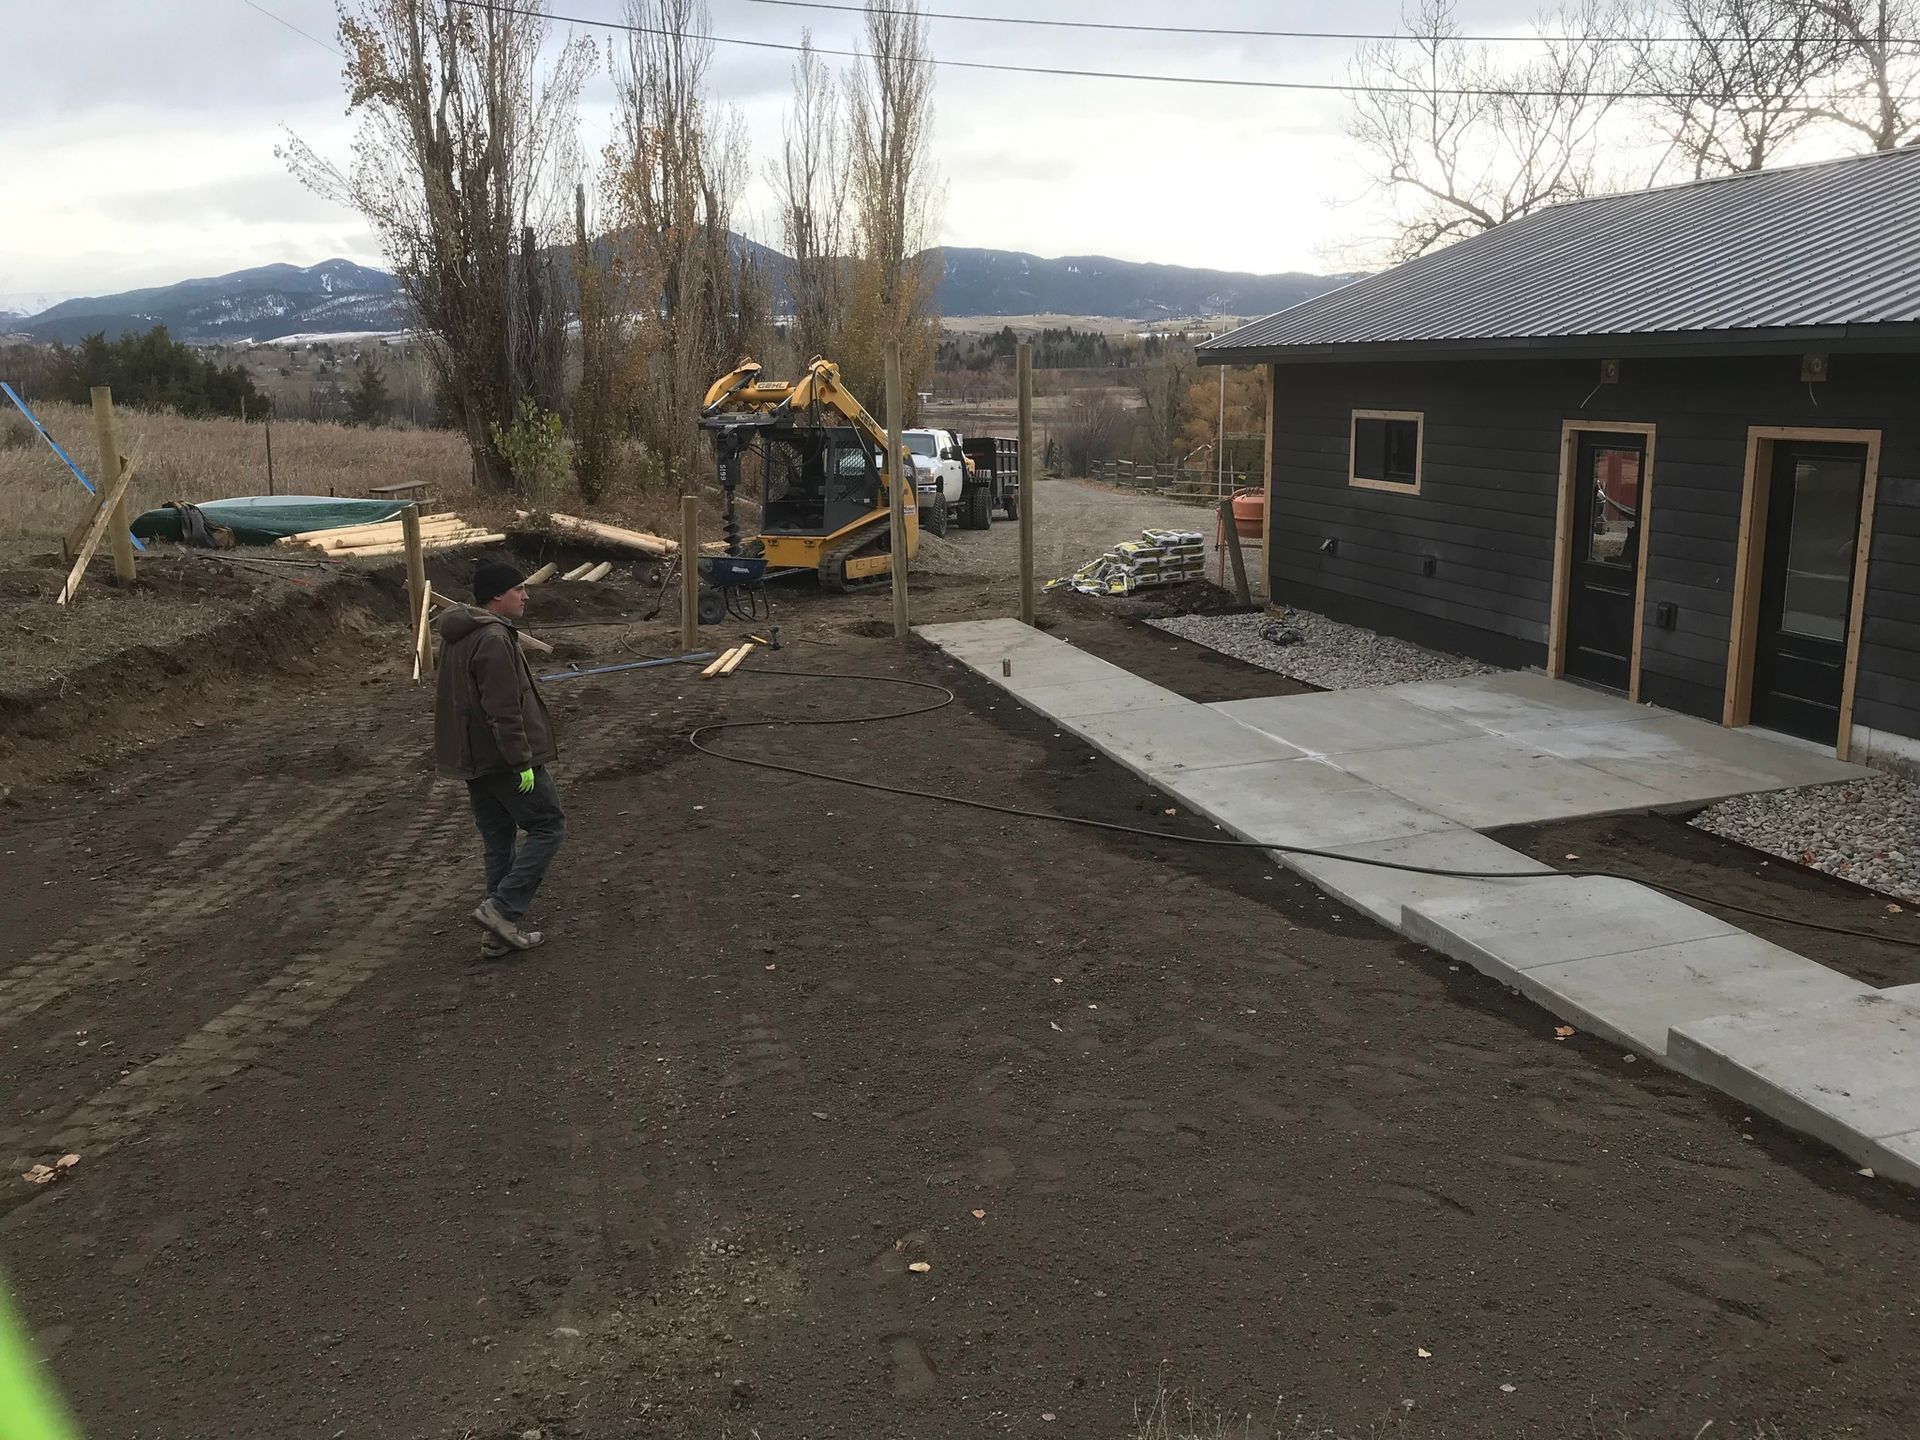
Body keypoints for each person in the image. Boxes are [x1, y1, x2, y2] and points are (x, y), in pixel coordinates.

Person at [434, 560, 567, 957]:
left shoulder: (460, 635)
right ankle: (501, 908)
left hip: (474, 760)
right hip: (501, 759)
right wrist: (522, 760)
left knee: (498, 841)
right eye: (519, 589)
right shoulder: (492, 638)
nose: (526, 596)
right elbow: (503, 710)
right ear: (497, 595)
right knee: (548, 826)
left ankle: (498, 933)